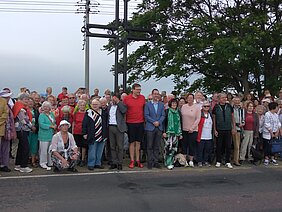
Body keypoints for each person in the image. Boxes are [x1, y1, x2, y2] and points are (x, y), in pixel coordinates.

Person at [123, 83, 146, 169]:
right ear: (132, 90)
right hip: (130, 122)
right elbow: (124, 111)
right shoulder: (127, 98)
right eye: (137, 89)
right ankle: (132, 160)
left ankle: (138, 160)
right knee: (132, 142)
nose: (139, 91)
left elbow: (144, 109)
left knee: (138, 142)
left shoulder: (143, 98)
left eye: (140, 89)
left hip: (140, 122)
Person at [82, 99, 108, 170]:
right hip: (92, 134)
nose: (95, 106)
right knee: (92, 150)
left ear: (99, 104)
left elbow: (106, 123)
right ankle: (91, 164)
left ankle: (98, 163)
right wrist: (84, 133)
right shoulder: (88, 113)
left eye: (96, 104)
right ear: (91, 105)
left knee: (100, 151)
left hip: (102, 134)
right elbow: (84, 124)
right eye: (93, 104)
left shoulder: (104, 112)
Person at [212, 92, 236, 169]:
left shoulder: (229, 106)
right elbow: (214, 119)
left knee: (228, 146)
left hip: (228, 129)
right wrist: (215, 129)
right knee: (219, 146)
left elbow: (232, 117)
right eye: (222, 98)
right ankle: (218, 160)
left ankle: (227, 161)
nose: (224, 99)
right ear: (219, 99)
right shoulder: (216, 107)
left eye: (225, 97)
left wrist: (234, 127)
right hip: (219, 129)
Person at [144, 89, 165, 169]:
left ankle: (156, 161)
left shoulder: (161, 105)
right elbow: (146, 115)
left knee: (157, 146)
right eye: (155, 94)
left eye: (157, 94)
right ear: (152, 95)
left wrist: (159, 122)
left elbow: (163, 115)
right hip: (150, 127)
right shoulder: (147, 104)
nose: (156, 95)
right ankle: (150, 161)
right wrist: (153, 122)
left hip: (159, 127)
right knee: (149, 146)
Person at [13, 93, 33, 173]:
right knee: (25, 147)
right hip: (22, 129)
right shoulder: (21, 108)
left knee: (21, 147)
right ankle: (23, 166)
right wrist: (32, 126)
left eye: (28, 99)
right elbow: (24, 120)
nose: (27, 101)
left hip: (19, 129)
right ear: (21, 99)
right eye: (26, 99)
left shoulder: (17, 106)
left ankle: (18, 164)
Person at [181, 93, 201, 167]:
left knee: (192, 145)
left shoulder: (197, 107)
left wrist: (192, 128)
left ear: (193, 99)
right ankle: (185, 161)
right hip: (184, 129)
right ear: (186, 99)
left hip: (193, 130)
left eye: (191, 98)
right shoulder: (183, 106)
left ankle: (191, 160)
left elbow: (198, 119)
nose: (190, 99)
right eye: (188, 98)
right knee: (184, 145)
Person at [108, 94, 127, 170]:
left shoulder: (121, 105)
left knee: (120, 146)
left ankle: (120, 163)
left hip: (119, 127)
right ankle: (114, 162)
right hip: (110, 126)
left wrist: (118, 102)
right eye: (113, 99)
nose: (114, 100)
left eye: (115, 99)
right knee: (112, 146)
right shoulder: (110, 106)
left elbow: (124, 111)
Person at [163, 99, 182, 170]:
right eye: (173, 103)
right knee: (168, 148)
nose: (174, 105)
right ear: (170, 104)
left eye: (175, 103)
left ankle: (171, 162)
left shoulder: (178, 112)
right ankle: (168, 163)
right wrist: (164, 131)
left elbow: (180, 123)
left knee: (174, 149)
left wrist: (180, 133)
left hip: (176, 134)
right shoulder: (167, 111)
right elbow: (164, 123)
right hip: (168, 133)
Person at [38, 101, 56, 171]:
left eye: (47, 106)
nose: (45, 108)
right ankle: (43, 163)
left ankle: (50, 162)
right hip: (43, 135)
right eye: (44, 106)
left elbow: (54, 121)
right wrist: (51, 126)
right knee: (43, 150)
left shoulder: (51, 114)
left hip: (51, 134)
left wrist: (54, 125)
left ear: (49, 108)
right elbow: (41, 124)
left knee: (50, 149)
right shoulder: (41, 115)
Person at [0, 89, 14, 172]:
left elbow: (7, 117)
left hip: (7, 129)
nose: (8, 98)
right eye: (6, 97)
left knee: (5, 147)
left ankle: (4, 164)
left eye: (8, 97)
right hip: (3, 128)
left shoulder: (8, 105)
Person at [197, 101, 213, 167]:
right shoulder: (199, 114)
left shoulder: (210, 114)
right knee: (200, 149)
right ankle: (199, 161)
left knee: (207, 150)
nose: (206, 107)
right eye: (205, 106)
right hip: (201, 135)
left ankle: (206, 161)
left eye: (208, 106)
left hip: (209, 135)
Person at [72, 100, 87, 167]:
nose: (82, 106)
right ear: (78, 106)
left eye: (83, 105)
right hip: (76, 131)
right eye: (81, 105)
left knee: (83, 146)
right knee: (77, 146)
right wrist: (72, 131)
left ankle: (83, 159)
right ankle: (77, 158)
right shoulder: (76, 113)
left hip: (84, 132)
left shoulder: (87, 113)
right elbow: (74, 122)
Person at [232, 96, 245, 166]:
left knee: (237, 146)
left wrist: (242, 123)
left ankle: (236, 160)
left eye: (238, 101)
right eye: (235, 101)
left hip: (239, 129)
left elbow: (243, 119)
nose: (237, 102)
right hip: (231, 128)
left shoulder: (241, 109)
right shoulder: (231, 109)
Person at [27, 98, 40, 168]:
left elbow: (38, 121)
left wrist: (36, 127)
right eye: (29, 102)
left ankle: (33, 161)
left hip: (35, 131)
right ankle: (26, 160)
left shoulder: (36, 111)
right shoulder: (24, 110)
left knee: (34, 146)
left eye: (32, 102)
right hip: (27, 131)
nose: (30, 103)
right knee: (26, 146)